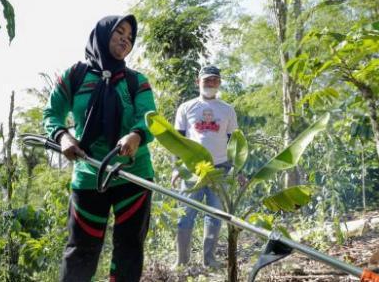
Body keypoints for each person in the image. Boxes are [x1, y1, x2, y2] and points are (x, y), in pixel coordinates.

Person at [43, 15, 157, 282]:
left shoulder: (137, 81)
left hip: (133, 174)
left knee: (129, 249)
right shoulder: (74, 76)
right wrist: (63, 137)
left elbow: (149, 118)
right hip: (88, 175)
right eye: (120, 32)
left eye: (130, 37)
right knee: (81, 249)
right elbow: (52, 113)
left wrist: (135, 135)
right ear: (102, 34)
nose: (125, 40)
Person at [172, 65, 238, 268]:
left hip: (220, 169)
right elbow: (177, 141)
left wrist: (238, 169)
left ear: (219, 83)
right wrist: (176, 168)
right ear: (197, 82)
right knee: (185, 218)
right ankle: (182, 261)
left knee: (215, 217)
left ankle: (209, 260)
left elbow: (235, 142)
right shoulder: (186, 107)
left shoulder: (227, 110)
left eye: (214, 80)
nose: (210, 84)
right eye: (206, 80)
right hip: (192, 171)